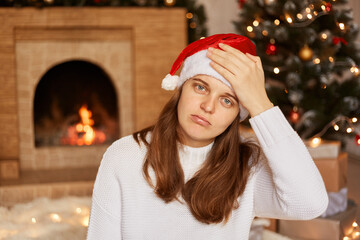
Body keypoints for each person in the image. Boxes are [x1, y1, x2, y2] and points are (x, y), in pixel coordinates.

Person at [87, 34, 328, 239]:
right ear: (181, 88)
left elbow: (310, 204)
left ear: (238, 114)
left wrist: (260, 103)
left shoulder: (248, 167)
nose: (208, 106)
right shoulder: (123, 156)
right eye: (200, 87)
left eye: (227, 100)